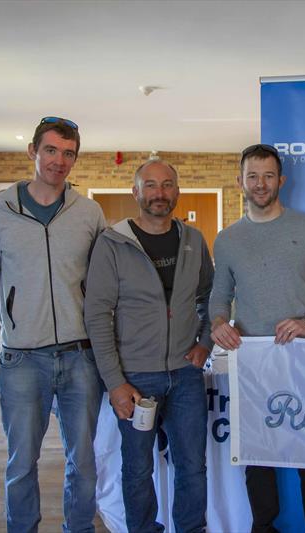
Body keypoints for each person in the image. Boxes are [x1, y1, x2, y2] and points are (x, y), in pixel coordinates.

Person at [0, 117, 106, 533]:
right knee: (21, 463)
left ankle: (79, 528)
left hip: (80, 357)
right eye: (51, 150)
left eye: (68, 153)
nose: (59, 161)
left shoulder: (88, 212)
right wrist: (17, 319)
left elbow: (102, 279)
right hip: (21, 359)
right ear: (33, 151)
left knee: (84, 461)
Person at [209, 144, 305, 533]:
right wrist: (219, 322)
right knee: (258, 458)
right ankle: (263, 527)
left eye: (269, 175)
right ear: (240, 182)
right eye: (253, 176)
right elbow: (219, 296)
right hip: (253, 363)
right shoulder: (227, 239)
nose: (261, 183)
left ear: (281, 180)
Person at [84, 159, 213, 533]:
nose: (160, 193)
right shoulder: (112, 243)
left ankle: (191, 529)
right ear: (135, 192)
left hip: (186, 375)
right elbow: (97, 316)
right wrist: (115, 382)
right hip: (136, 377)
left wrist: (204, 342)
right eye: (151, 185)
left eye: (167, 184)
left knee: (192, 465)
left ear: (177, 191)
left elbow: (210, 295)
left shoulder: (193, 240)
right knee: (137, 468)